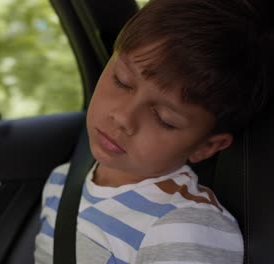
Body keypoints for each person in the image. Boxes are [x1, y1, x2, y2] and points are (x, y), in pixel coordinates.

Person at [34, 0, 273, 263]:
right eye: (121, 81)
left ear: (206, 147)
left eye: (164, 119)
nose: (124, 117)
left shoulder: (183, 229)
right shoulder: (62, 180)